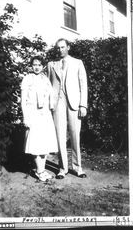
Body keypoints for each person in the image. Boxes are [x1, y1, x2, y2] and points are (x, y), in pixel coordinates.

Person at [47, 38, 88, 179]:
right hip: (58, 103)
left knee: (75, 135)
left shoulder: (78, 63)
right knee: (60, 136)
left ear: (68, 47)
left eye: (63, 47)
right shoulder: (51, 65)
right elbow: (48, 86)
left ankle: (78, 168)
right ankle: (62, 168)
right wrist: (49, 104)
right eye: (58, 48)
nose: (60, 50)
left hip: (74, 103)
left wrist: (83, 105)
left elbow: (83, 85)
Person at [21, 56, 58, 182]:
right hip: (33, 113)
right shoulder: (27, 79)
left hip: (45, 114)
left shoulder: (45, 79)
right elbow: (23, 100)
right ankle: (39, 171)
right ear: (31, 66)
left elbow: (50, 95)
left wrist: (51, 108)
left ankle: (41, 170)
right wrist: (25, 116)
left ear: (43, 66)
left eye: (39, 65)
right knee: (36, 143)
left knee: (44, 142)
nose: (37, 67)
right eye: (34, 64)